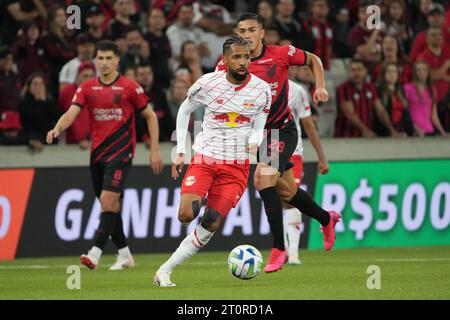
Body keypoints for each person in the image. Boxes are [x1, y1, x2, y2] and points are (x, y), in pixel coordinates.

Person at [217, 13, 340, 273]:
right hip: (257, 136)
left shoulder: (281, 54)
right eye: (242, 30)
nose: (246, 35)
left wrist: (320, 86)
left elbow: (314, 60)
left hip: (281, 131)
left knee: (262, 180)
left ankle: (278, 250)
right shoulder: (228, 64)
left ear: (262, 33)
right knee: (286, 191)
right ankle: (326, 218)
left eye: (252, 30)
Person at [154, 36, 272, 287]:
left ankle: (166, 269)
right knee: (186, 215)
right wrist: (181, 151)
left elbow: (260, 125)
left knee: (211, 221)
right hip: (206, 158)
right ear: (225, 59)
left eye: (247, 57)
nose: (243, 62)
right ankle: (198, 196)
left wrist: (254, 138)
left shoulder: (262, 89)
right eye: (237, 57)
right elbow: (185, 110)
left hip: (236, 167)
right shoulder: (207, 84)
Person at [46, 40, 164, 270]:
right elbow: (72, 112)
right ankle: (125, 255)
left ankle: (95, 252)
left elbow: (150, 116)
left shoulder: (130, 87)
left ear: (117, 60)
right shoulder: (88, 87)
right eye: (100, 58)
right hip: (97, 154)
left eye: (109, 58)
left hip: (122, 153)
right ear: (95, 60)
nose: (104, 62)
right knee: (109, 206)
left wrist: (155, 150)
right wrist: (58, 128)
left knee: (108, 201)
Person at [283, 80, 329, 265]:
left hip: (292, 150)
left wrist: (322, 157)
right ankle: (283, 250)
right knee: (274, 197)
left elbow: (309, 125)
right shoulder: (256, 86)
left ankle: (293, 254)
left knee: (290, 197)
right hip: (266, 149)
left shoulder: (296, 91)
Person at [334, 59, 402, 138]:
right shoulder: (343, 88)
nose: (356, 73)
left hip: (367, 136)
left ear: (365, 71)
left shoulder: (370, 87)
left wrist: (392, 130)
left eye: (359, 70)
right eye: (353, 70)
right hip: (346, 136)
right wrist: (365, 130)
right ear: (348, 72)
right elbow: (349, 114)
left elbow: (380, 110)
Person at [19, 73, 60, 153]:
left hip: (47, 139)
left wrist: (44, 101)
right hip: (30, 138)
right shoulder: (23, 103)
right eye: (35, 84)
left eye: (41, 84)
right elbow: (35, 119)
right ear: (29, 87)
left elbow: (58, 117)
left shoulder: (48, 102)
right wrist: (41, 101)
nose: (38, 87)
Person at [404, 60, 447, 136]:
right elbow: (405, 113)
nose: (421, 72)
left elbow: (434, 115)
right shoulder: (408, 88)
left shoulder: (432, 89)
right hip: (414, 131)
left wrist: (442, 131)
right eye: (418, 70)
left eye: (424, 69)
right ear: (415, 72)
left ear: (428, 72)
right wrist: (415, 129)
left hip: (429, 130)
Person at [375, 61, 415, 136]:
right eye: (388, 72)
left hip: (401, 130)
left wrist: (412, 131)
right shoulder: (378, 90)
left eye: (394, 72)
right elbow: (380, 113)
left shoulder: (400, 90)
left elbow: (406, 113)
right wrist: (391, 131)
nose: (392, 75)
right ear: (383, 74)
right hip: (384, 132)